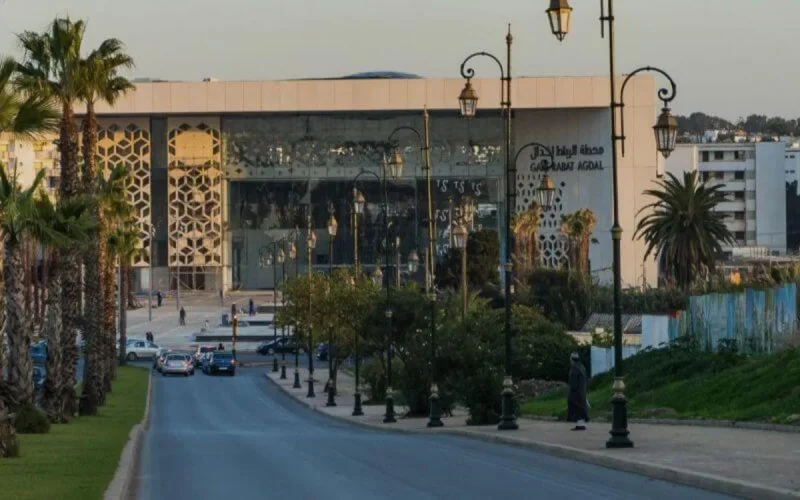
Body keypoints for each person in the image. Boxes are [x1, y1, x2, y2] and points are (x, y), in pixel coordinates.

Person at [567, 352, 589, 431]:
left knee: (576, 408)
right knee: (581, 408)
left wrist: (571, 390)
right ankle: (581, 424)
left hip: (576, 391)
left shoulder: (574, 368)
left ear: (572, 359)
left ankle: (579, 425)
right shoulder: (582, 367)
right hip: (582, 390)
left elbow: (573, 381)